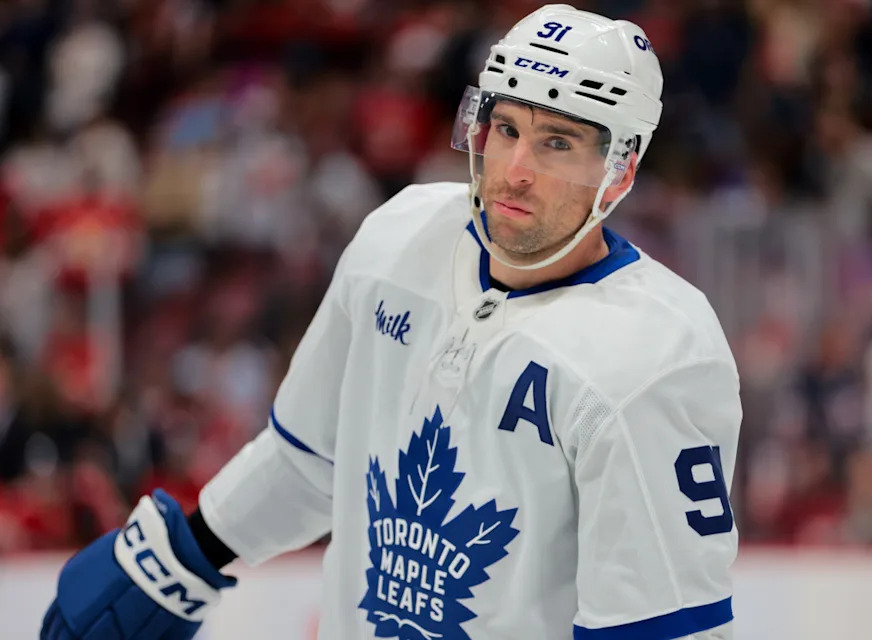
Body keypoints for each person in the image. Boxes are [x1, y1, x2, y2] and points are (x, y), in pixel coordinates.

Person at [41, 5, 741, 639]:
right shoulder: (399, 240)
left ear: (619, 171)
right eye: (505, 129)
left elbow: (662, 628)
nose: (515, 170)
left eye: (557, 144)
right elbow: (309, 460)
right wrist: (189, 556)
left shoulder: (658, 353)